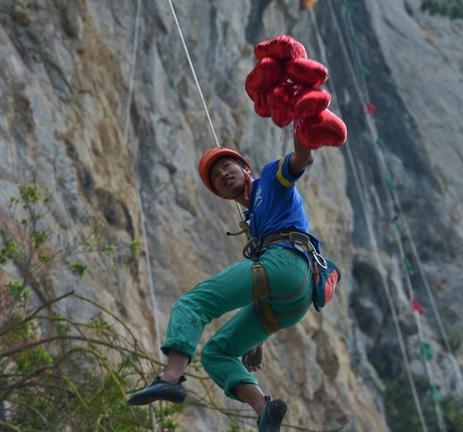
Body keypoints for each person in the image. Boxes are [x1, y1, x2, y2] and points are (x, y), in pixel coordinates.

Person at [128, 134, 326, 432]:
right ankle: (264, 411)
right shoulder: (255, 222)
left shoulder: (272, 180)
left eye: (227, 166)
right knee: (215, 353)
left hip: (285, 263)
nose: (222, 174)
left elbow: (301, 159)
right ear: (221, 194)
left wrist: (303, 129)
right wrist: (256, 337)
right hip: (293, 301)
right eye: (217, 177)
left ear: (246, 169)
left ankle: (169, 379)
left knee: (194, 303)